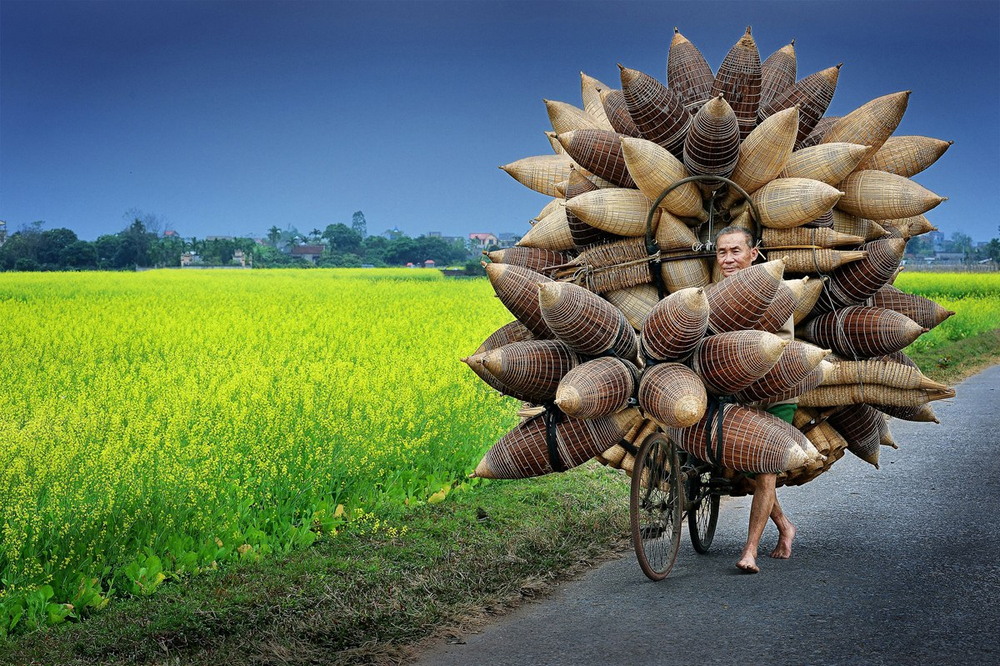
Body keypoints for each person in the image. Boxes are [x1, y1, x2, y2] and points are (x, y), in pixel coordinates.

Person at [714, 225, 797, 574]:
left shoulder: (775, 291)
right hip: (737, 393)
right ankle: (785, 526)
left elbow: (780, 345)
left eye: (736, 251)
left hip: (775, 390)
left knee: (763, 471)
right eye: (722, 252)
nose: (729, 259)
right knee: (746, 469)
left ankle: (749, 551)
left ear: (754, 253)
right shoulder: (713, 294)